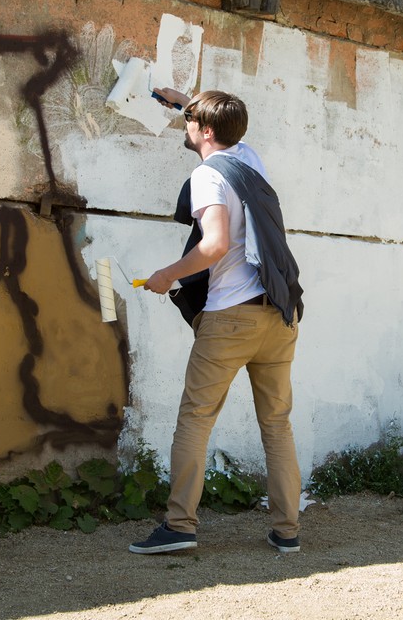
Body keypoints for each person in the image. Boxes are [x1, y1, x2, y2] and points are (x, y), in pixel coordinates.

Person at [129, 88, 304, 555]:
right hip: (278, 315)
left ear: (206, 132)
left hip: (230, 318)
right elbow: (220, 127)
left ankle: (180, 525)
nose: (185, 127)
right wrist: (185, 103)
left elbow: (214, 245)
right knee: (277, 424)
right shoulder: (249, 161)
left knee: (195, 420)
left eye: (190, 122)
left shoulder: (208, 175)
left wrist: (167, 275)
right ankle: (287, 531)